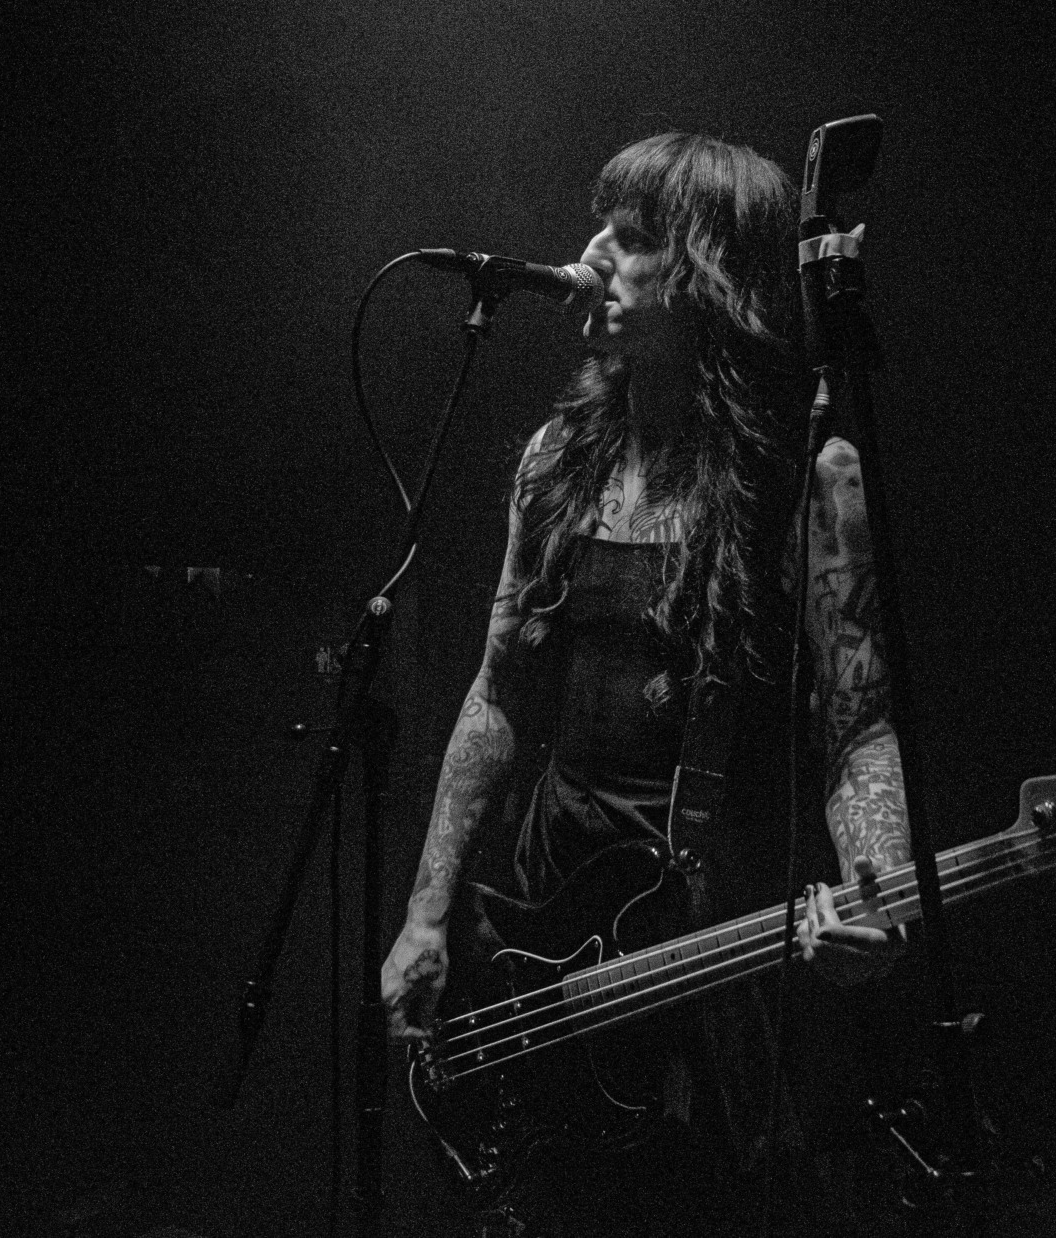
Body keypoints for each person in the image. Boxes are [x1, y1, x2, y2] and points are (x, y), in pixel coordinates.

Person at [379, 131, 912, 1235]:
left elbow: (857, 725)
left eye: (629, 238)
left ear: (706, 275)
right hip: (551, 921)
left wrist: (880, 886)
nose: (590, 256)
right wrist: (427, 916)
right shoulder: (556, 461)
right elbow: (497, 696)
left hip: (718, 936)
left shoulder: (807, 476)